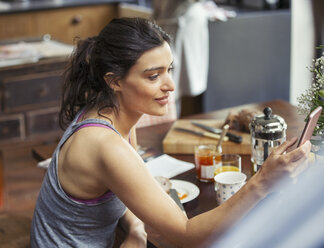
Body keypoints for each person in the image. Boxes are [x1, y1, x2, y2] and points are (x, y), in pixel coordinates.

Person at [30, 17, 311, 247]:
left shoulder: (105, 114)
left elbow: (118, 187)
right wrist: (261, 182)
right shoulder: (105, 144)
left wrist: (137, 228)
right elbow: (187, 236)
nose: (170, 85)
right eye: (154, 76)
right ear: (114, 81)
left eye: (169, 70)